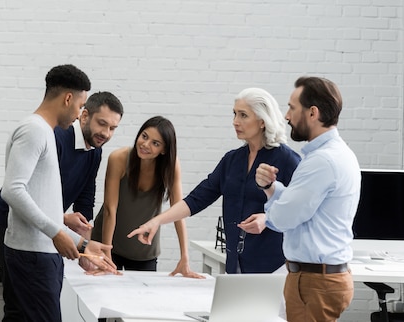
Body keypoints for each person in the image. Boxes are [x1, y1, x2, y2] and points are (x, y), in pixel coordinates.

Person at [128, 88, 301, 274]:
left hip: (275, 268)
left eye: (243, 115)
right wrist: (156, 221)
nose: (235, 121)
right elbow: (197, 199)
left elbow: (303, 211)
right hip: (235, 266)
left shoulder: (288, 160)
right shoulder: (232, 160)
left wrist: (268, 219)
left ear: (262, 121)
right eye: (234, 114)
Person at [0, 89, 124, 322]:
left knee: (24, 308)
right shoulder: (53, 137)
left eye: (112, 128)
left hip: (46, 226)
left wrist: (83, 241)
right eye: (102, 124)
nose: (106, 133)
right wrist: (62, 219)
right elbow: (27, 190)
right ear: (84, 116)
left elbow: (85, 196)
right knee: (22, 303)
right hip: (13, 221)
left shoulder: (95, 151)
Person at [251, 76, 361, 322]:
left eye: (291, 107)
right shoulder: (334, 155)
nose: (286, 116)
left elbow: (283, 218)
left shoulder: (322, 161)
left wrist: (271, 210)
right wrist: (271, 187)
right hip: (317, 280)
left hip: (314, 283)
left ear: (313, 112)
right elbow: (297, 208)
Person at [91, 115, 202, 278]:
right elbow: (109, 209)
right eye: (144, 136)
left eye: (155, 143)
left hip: (143, 250)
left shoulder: (171, 166)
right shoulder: (119, 158)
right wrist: (107, 254)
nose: (145, 144)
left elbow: (179, 211)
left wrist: (184, 257)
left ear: (164, 150)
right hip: (106, 243)